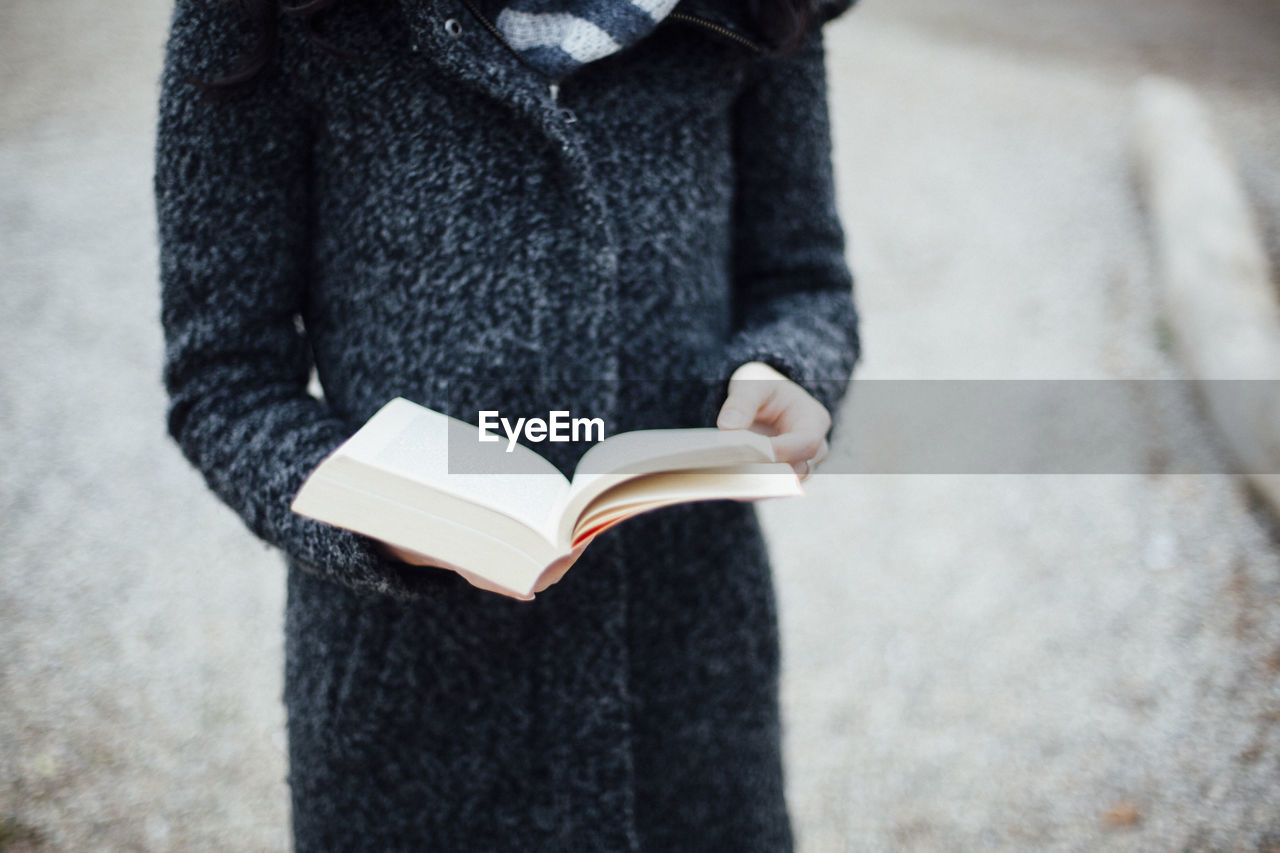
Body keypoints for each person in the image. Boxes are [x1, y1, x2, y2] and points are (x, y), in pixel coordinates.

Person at [154, 0, 860, 848]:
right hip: (410, 709)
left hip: (691, 684)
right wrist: (380, 515)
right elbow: (223, 378)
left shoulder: (760, 7)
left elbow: (803, 281)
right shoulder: (265, 16)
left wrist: (784, 371)